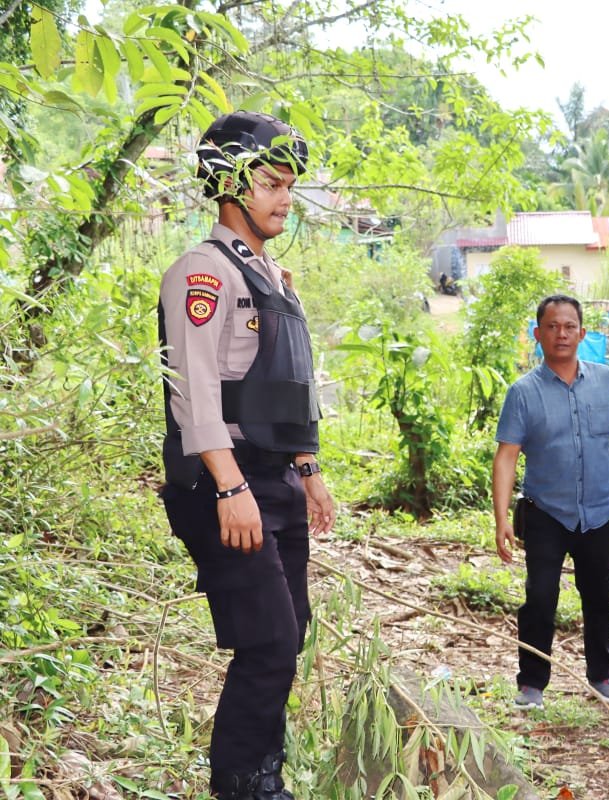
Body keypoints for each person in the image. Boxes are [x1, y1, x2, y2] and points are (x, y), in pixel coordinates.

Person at [157, 111, 335, 799]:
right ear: (230, 185)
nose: (284, 199)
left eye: (288, 185)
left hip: (275, 477)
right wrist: (232, 489)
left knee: (288, 636)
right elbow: (196, 395)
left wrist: (309, 473)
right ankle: (241, 784)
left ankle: (265, 771)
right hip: (223, 482)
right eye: (270, 183)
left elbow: (287, 387)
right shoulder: (202, 273)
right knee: (266, 642)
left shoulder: (274, 279)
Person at [492, 295, 609, 711]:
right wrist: (501, 517)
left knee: (600, 597)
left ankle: (602, 675)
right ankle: (532, 683)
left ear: (582, 332)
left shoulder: (606, 380)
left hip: (598, 511)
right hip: (546, 513)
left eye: (570, 326)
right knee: (540, 597)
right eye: (553, 326)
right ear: (538, 334)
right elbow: (506, 456)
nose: (562, 333)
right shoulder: (522, 393)